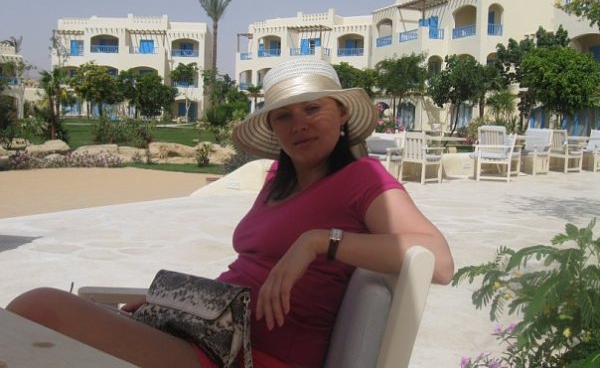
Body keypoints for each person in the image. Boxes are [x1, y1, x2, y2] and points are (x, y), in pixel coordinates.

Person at [7, 59, 454, 368]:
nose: (299, 124)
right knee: (37, 328)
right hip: (208, 333)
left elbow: (437, 260)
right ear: (272, 127)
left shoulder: (362, 178)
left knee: (39, 308)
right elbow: (247, 274)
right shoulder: (278, 177)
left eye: (313, 108)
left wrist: (319, 241)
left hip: (256, 355)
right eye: (283, 116)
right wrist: (170, 304)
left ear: (341, 114)